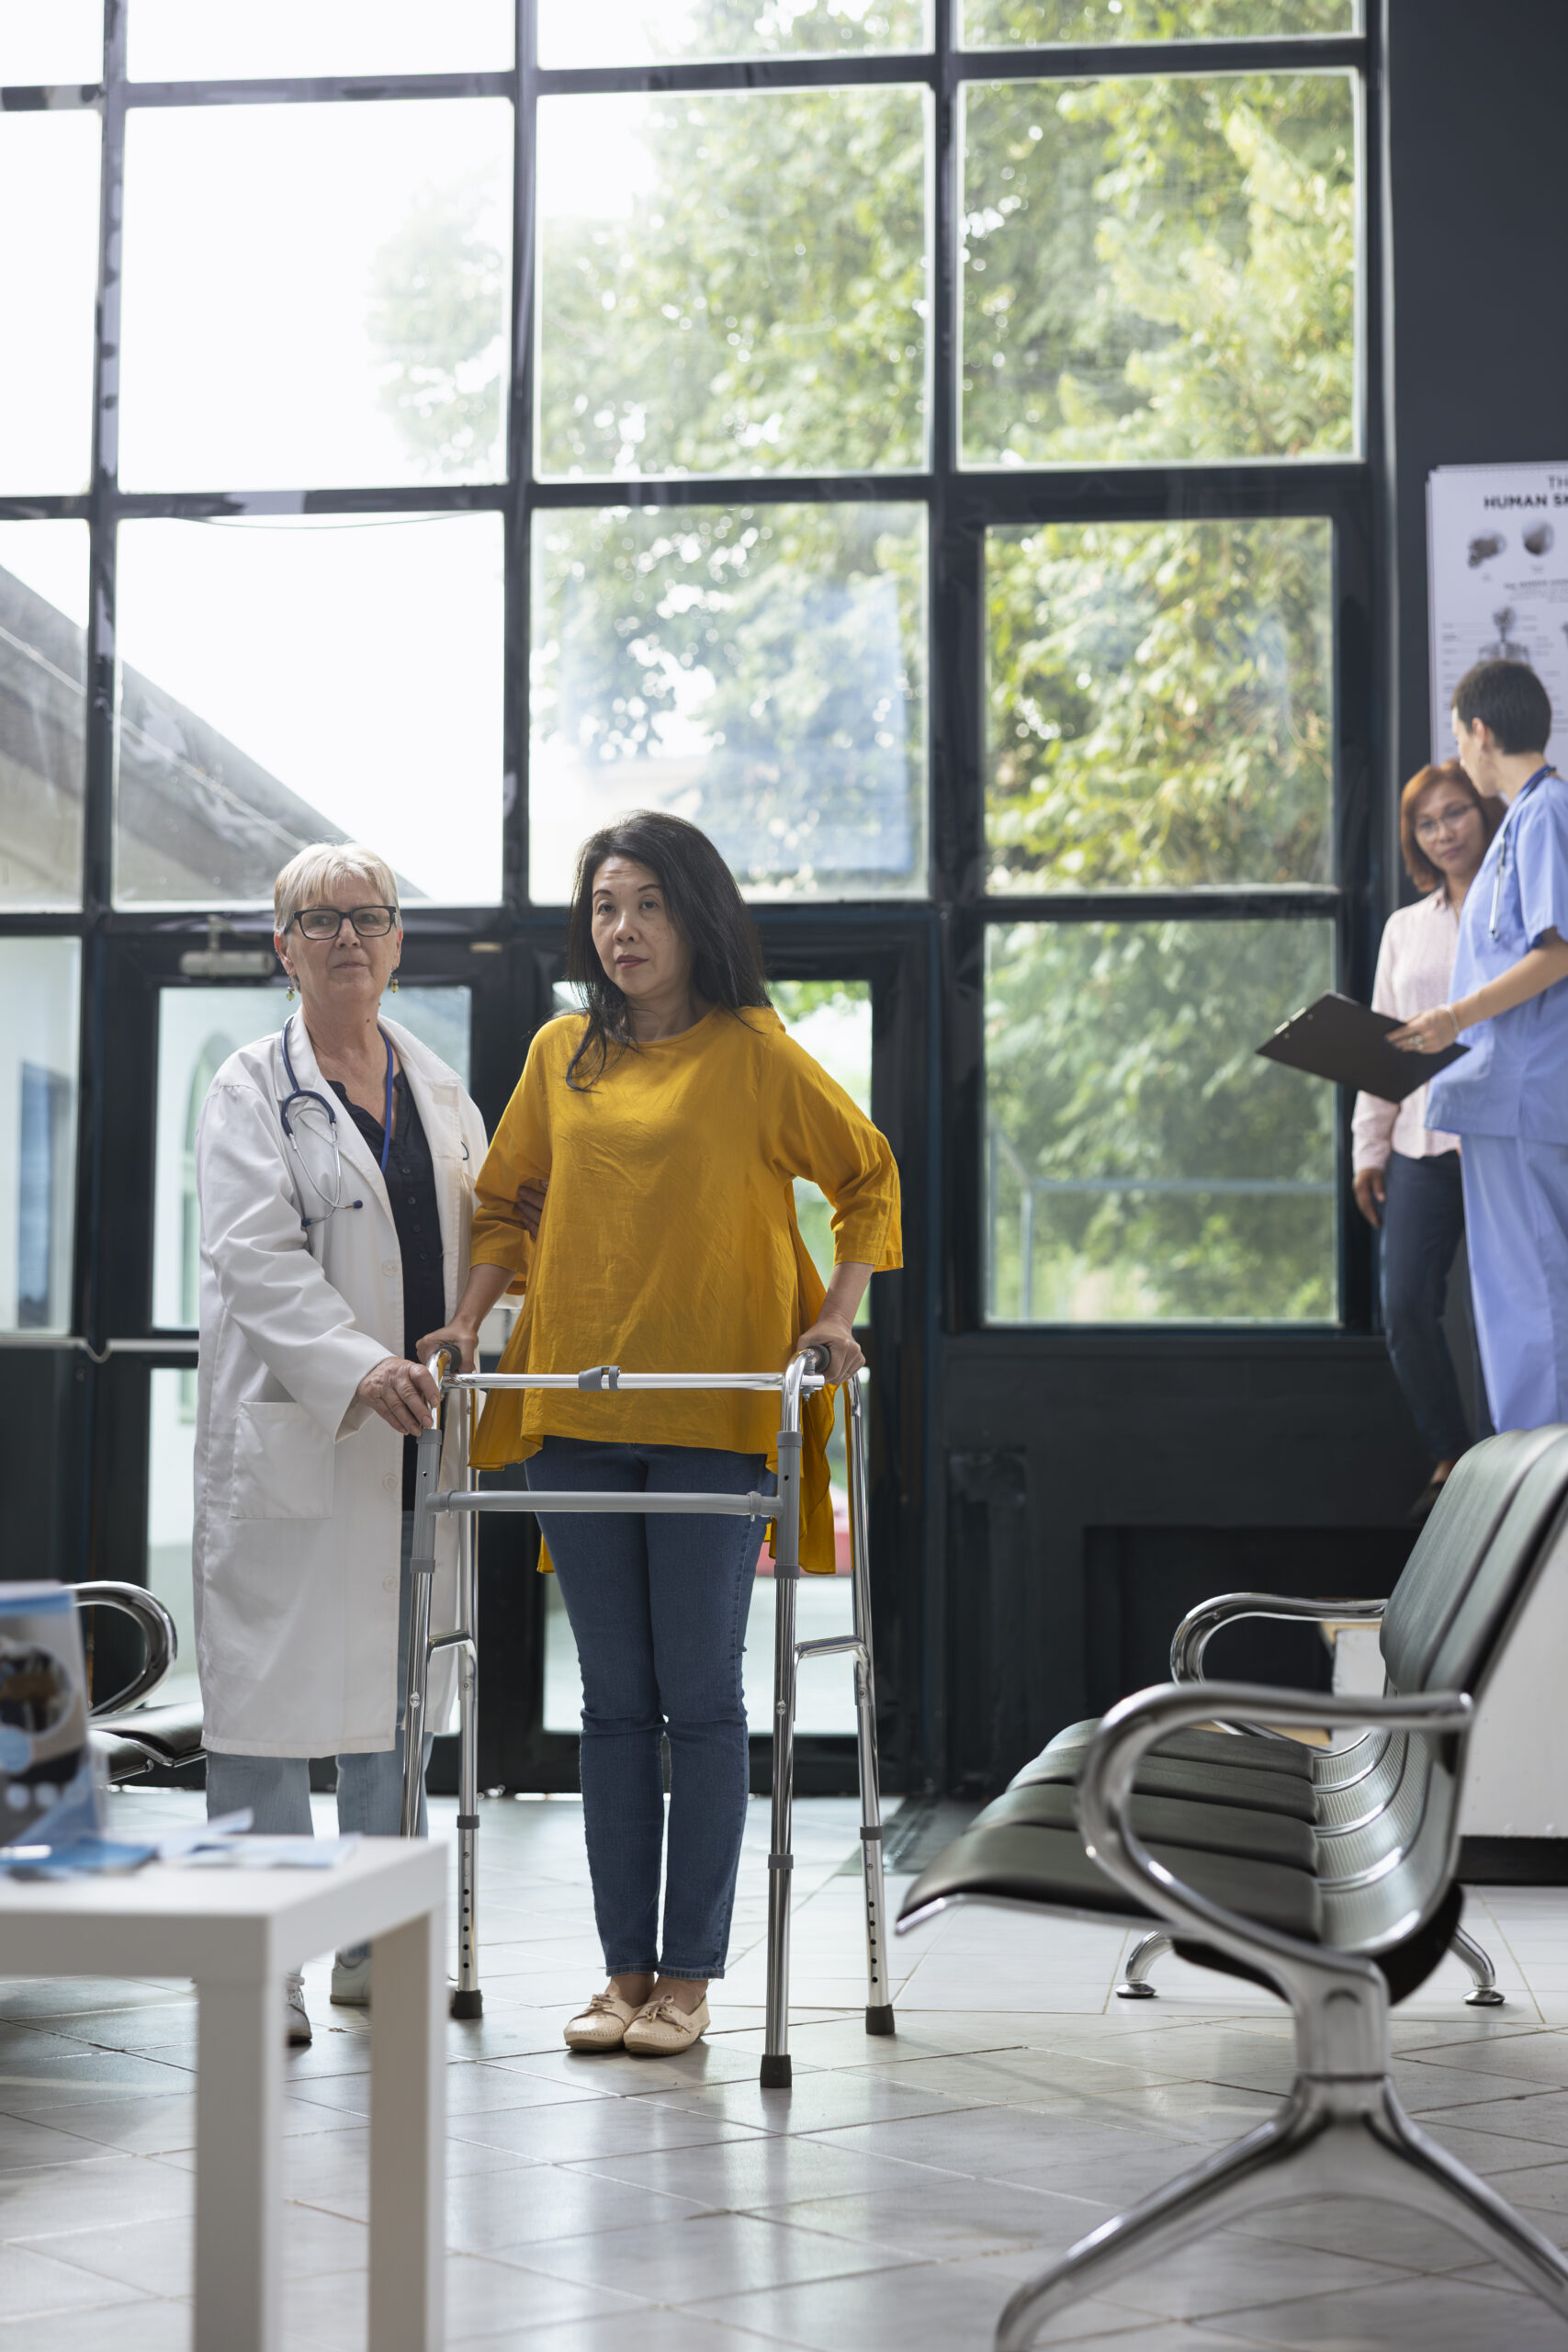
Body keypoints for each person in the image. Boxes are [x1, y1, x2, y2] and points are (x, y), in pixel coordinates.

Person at [422, 811, 901, 2057]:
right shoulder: (557, 1054)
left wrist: (836, 1316)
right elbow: (504, 1204)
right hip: (575, 1410)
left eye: (644, 905)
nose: (621, 930)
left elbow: (865, 1173)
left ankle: (690, 1979)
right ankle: (619, 1976)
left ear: (693, 917)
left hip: (711, 1407)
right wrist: (468, 1324)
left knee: (698, 1700)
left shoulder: (753, 1053)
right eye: (602, 908)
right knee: (612, 1706)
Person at [193, 843, 487, 2046]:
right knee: (266, 1712)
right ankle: (260, 1962)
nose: (347, 938)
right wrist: (354, 1366)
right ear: (283, 948)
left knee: (393, 1699)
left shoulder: (440, 1088)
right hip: (306, 1428)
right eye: (319, 922)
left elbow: (489, 1242)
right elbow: (250, 1255)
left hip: (420, 1434)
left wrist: (477, 1335)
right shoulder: (247, 1088)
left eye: (368, 917)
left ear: (398, 941)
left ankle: (372, 1945)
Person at [1393, 662, 1568, 1430]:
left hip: (1526, 1096)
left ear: (1479, 731)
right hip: (1501, 1101)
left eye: (1457, 736)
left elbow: (1556, 949)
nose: (1459, 751)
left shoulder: (1543, 814)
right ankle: (1535, 1481)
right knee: (1510, 1299)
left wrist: (1453, 1016)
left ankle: (1552, 1503)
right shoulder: (1523, 820)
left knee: (1537, 1293)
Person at [1351, 762, 1500, 1517]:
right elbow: (1381, 1047)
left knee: (1512, 1308)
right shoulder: (1404, 929)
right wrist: (1367, 1150)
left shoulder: (1516, 909)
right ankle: (1452, 1456)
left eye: (1455, 814)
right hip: (1419, 1145)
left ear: (1484, 811)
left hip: (1503, 1141)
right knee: (1405, 1304)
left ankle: (1525, 1461)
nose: (1443, 832)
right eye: (1426, 823)